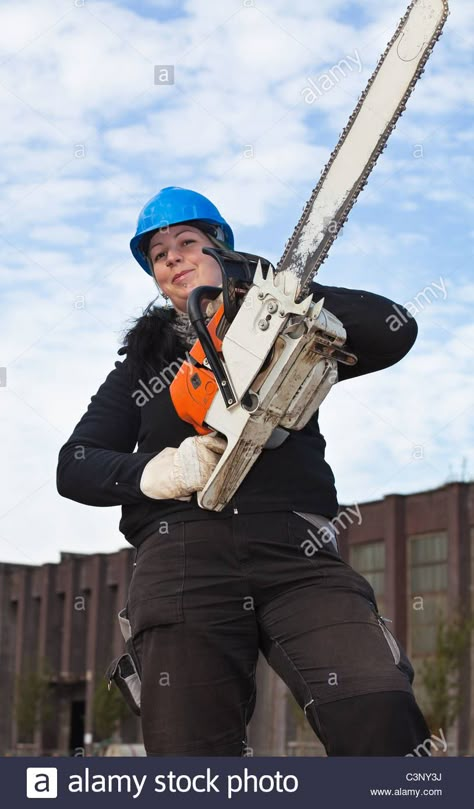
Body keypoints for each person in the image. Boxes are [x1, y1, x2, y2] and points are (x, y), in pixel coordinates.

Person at [57, 186, 430, 757]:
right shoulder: (145, 363)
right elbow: (74, 465)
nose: (174, 257)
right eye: (160, 255)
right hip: (181, 557)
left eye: (188, 243)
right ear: (155, 278)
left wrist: (284, 298)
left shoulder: (283, 338)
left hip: (297, 553)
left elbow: (394, 326)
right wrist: (161, 471)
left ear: (223, 251)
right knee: (191, 755)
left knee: (376, 706)